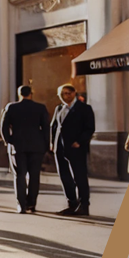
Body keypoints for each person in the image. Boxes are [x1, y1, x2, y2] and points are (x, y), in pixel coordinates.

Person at [0, 85, 51, 214]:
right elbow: (46, 128)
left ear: (19, 94)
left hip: (18, 146)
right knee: (34, 176)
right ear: (31, 94)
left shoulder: (11, 107)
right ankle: (31, 203)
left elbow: (3, 127)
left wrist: (9, 140)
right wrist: (45, 145)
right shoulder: (40, 108)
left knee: (19, 175)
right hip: (36, 145)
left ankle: (21, 204)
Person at [51, 84, 95, 216]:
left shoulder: (84, 108)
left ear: (74, 93)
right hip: (59, 148)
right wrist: (52, 142)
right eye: (62, 94)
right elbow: (53, 126)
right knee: (64, 176)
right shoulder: (59, 108)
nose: (66, 96)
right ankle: (72, 203)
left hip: (76, 148)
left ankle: (84, 205)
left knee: (79, 176)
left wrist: (80, 142)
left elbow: (90, 128)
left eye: (68, 93)